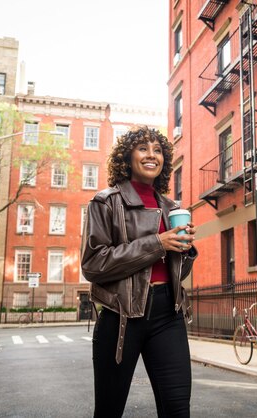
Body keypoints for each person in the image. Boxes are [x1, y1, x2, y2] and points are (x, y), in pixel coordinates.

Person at [81, 126, 197, 418]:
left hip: (168, 315)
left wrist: (185, 251)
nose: (151, 155)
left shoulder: (171, 207)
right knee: (109, 411)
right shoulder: (106, 201)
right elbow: (94, 264)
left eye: (158, 150)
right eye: (143, 148)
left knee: (177, 409)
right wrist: (158, 243)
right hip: (121, 317)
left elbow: (173, 272)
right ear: (128, 156)